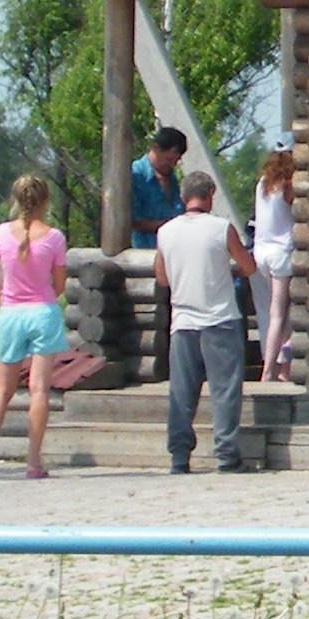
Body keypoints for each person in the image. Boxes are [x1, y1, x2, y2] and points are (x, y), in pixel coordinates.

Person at [156, 171, 256, 474]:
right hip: (220, 319)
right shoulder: (221, 228)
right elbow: (249, 266)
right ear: (210, 194)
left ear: (183, 197)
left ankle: (179, 457)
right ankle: (227, 456)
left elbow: (162, 278)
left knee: (182, 393)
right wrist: (231, 271)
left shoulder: (166, 232)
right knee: (225, 391)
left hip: (183, 322)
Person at [0, 171, 68, 481]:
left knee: (3, 388)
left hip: (11, 312)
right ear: (45, 201)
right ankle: (34, 460)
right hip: (42, 311)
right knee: (39, 389)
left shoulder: (1, 232)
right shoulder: (54, 237)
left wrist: (0, 291)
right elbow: (60, 283)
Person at [128, 126, 188, 377]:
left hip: (176, 255)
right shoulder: (135, 175)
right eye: (168, 158)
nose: (171, 164)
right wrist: (170, 227)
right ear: (155, 149)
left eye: (176, 160)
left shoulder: (170, 178)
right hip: (147, 254)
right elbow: (133, 219)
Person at [252, 142, 297, 385]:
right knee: (280, 315)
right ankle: (269, 370)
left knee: (268, 313)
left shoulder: (262, 184)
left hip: (260, 252)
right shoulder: (289, 186)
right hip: (281, 253)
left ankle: (281, 367)